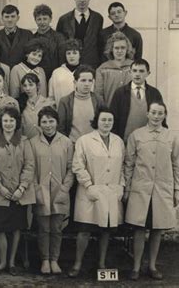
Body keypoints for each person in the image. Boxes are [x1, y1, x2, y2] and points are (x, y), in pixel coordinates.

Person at [123, 102, 179, 281]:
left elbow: (177, 165)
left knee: (157, 229)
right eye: (154, 113)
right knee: (139, 228)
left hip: (162, 189)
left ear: (165, 116)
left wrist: (177, 189)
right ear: (147, 114)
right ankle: (135, 267)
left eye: (160, 113)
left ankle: (152, 266)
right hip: (141, 189)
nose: (156, 116)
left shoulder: (171, 137)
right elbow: (129, 164)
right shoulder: (137, 135)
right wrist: (126, 188)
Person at [68, 107, 125, 278]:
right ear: (96, 121)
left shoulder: (118, 141)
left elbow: (123, 166)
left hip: (111, 192)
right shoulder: (84, 141)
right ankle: (77, 264)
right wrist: (88, 185)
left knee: (106, 229)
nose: (106, 123)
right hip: (90, 191)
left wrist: (121, 186)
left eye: (110, 120)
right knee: (84, 229)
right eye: (103, 120)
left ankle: (102, 263)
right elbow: (78, 165)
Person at [0, 107, 35, 276]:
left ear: (17, 122)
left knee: (16, 228)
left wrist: (21, 188)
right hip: (1, 193)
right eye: (5, 120)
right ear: (0, 122)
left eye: (12, 121)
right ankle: (2, 262)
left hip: (19, 194)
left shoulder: (24, 141)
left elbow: (29, 166)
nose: (8, 124)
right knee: (0, 228)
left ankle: (12, 262)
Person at [29, 106, 73, 275]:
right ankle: (45, 260)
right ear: (39, 124)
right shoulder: (33, 143)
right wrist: (35, 188)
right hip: (40, 191)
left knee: (56, 228)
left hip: (60, 191)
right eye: (44, 122)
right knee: (43, 229)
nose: (48, 125)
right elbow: (30, 169)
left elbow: (71, 169)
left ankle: (55, 260)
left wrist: (65, 188)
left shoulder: (66, 142)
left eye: (51, 121)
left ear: (57, 122)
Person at [110, 59, 164, 142]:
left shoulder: (154, 93)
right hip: (124, 140)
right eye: (134, 71)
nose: (137, 74)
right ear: (130, 72)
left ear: (148, 73)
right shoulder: (120, 93)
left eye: (141, 71)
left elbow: (161, 117)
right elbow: (113, 118)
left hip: (148, 141)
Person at [56, 0, 103, 68]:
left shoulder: (98, 18)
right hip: (70, 66)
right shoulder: (63, 19)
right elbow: (60, 46)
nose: (82, 0)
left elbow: (99, 44)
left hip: (92, 65)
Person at [57, 65, 103, 143]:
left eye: (90, 80)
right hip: (73, 144)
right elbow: (61, 127)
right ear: (75, 82)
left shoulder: (98, 100)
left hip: (94, 144)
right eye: (83, 80)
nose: (87, 84)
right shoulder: (65, 101)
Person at [95, 32, 134, 106]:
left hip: (131, 111)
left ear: (127, 49)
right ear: (111, 49)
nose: (120, 51)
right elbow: (98, 94)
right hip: (110, 110)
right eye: (116, 48)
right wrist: (104, 110)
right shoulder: (102, 69)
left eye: (123, 47)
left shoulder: (134, 67)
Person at [32, 4, 65, 82]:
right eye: (39, 19)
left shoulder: (59, 37)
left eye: (45, 19)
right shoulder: (32, 38)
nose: (42, 22)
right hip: (37, 77)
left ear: (50, 19)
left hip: (55, 76)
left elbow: (62, 59)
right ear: (35, 20)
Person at [48, 39, 83, 109]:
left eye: (74, 53)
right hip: (61, 112)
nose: (71, 56)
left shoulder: (86, 72)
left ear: (80, 55)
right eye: (68, 53)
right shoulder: (57, 73)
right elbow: (51, 97)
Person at [18, 73, 53, 139]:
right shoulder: (20, 103)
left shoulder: (47, 103)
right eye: (25, 86)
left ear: (37, 85)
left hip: (42, 141)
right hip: (26, 141)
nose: (27, 88)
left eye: (31, 85)